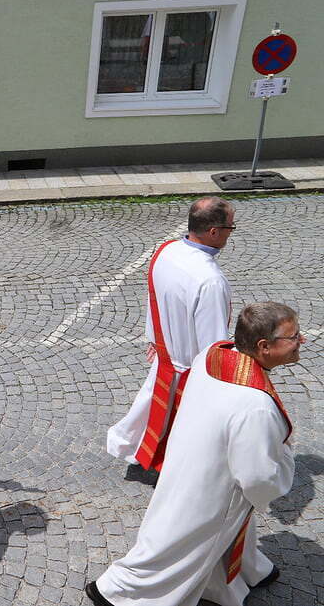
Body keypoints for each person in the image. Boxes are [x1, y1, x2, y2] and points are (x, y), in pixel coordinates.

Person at [87, 302, 299, 606]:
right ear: (264, 346)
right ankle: (120, 592)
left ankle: (242, 574)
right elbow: (257, 477)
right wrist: (286, 461)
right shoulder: (255, 406)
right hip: (216, 489)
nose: (300, 341)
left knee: (195, 533)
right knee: (180, 545)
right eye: (292, 337)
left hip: (191, 460)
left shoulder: (213, 354)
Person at [107, 197, 235, 469]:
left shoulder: (166, 251)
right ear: (213, 232)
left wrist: (155, 338)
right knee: (184, 433)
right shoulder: (210, 280)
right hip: (188, 368)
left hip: (167, 354)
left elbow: (154, 298)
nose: (231, 232)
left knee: (150, 415)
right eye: (230, 227)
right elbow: (213, 343)